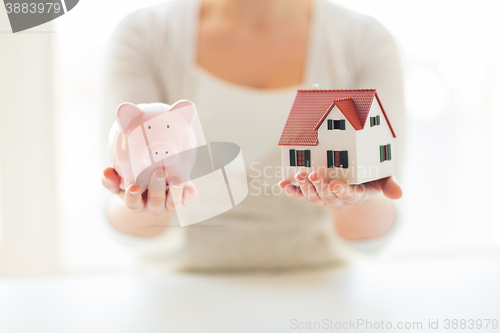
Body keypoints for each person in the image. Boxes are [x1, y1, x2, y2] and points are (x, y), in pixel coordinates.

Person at [101, 0, 405, 270]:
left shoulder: (366, 41)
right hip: (181, 289)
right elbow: (125, 222)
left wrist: (357, 198)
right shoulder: (145, 35)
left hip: (317, 288)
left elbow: (374, 233)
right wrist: (143, 203)